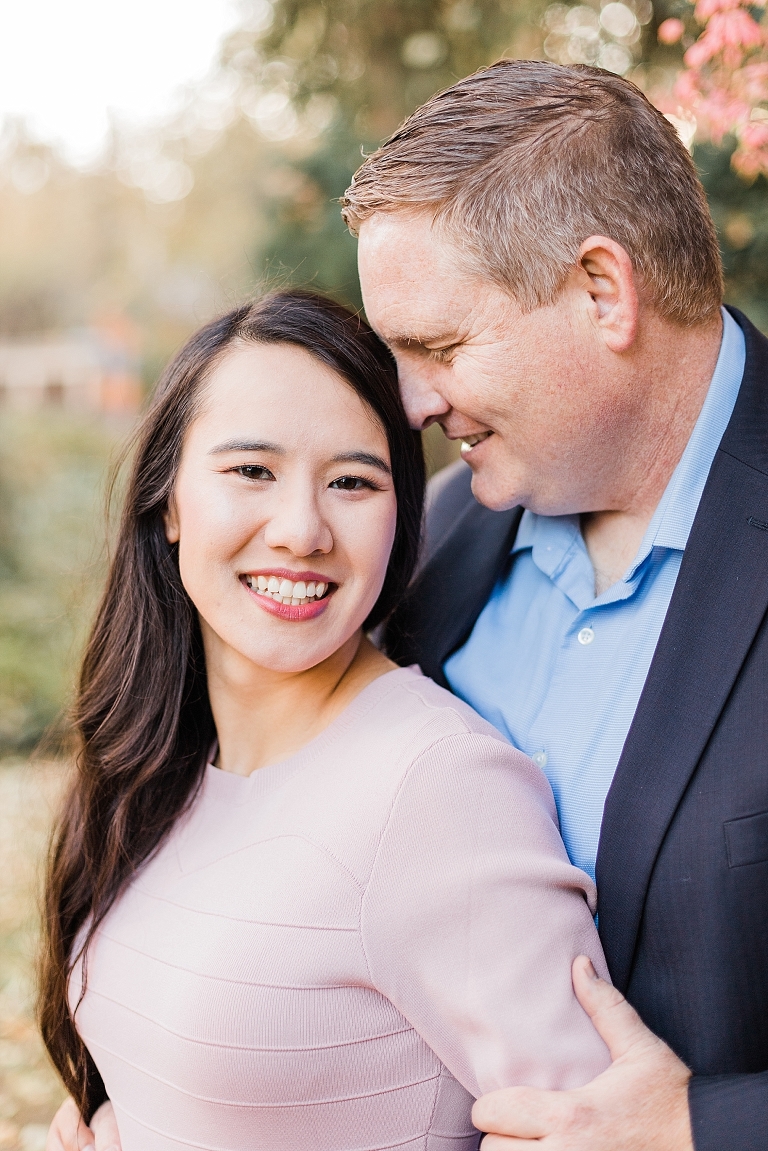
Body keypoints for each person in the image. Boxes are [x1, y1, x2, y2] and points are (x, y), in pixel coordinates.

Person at [42, 289, 609, 1151]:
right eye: (251, 471)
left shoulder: (439, 790)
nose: (302, 530)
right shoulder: (163, 758)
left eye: (352, 481)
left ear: (399, 518)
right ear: (169, 502)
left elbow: (593, 1128)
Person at [341, 60, 768, 1151]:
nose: (413, 403)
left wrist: (700, 1126)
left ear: (601, 290)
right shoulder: (430, 546)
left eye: (437, 346)